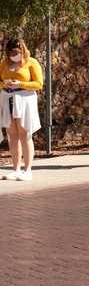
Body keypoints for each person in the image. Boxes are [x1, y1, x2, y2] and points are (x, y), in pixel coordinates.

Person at [0, 38, 43, 181]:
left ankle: (28, 170)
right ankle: (16, 169)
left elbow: (38, 84)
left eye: (16, 52)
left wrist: (21, 83)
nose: (14, 55)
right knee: (12, 135)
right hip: (8, 99)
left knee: (24, 133)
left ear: (22, 50)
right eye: (11, 52)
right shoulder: (4, 63)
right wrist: (4, 84)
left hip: (25, 100)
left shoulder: (32, 62)